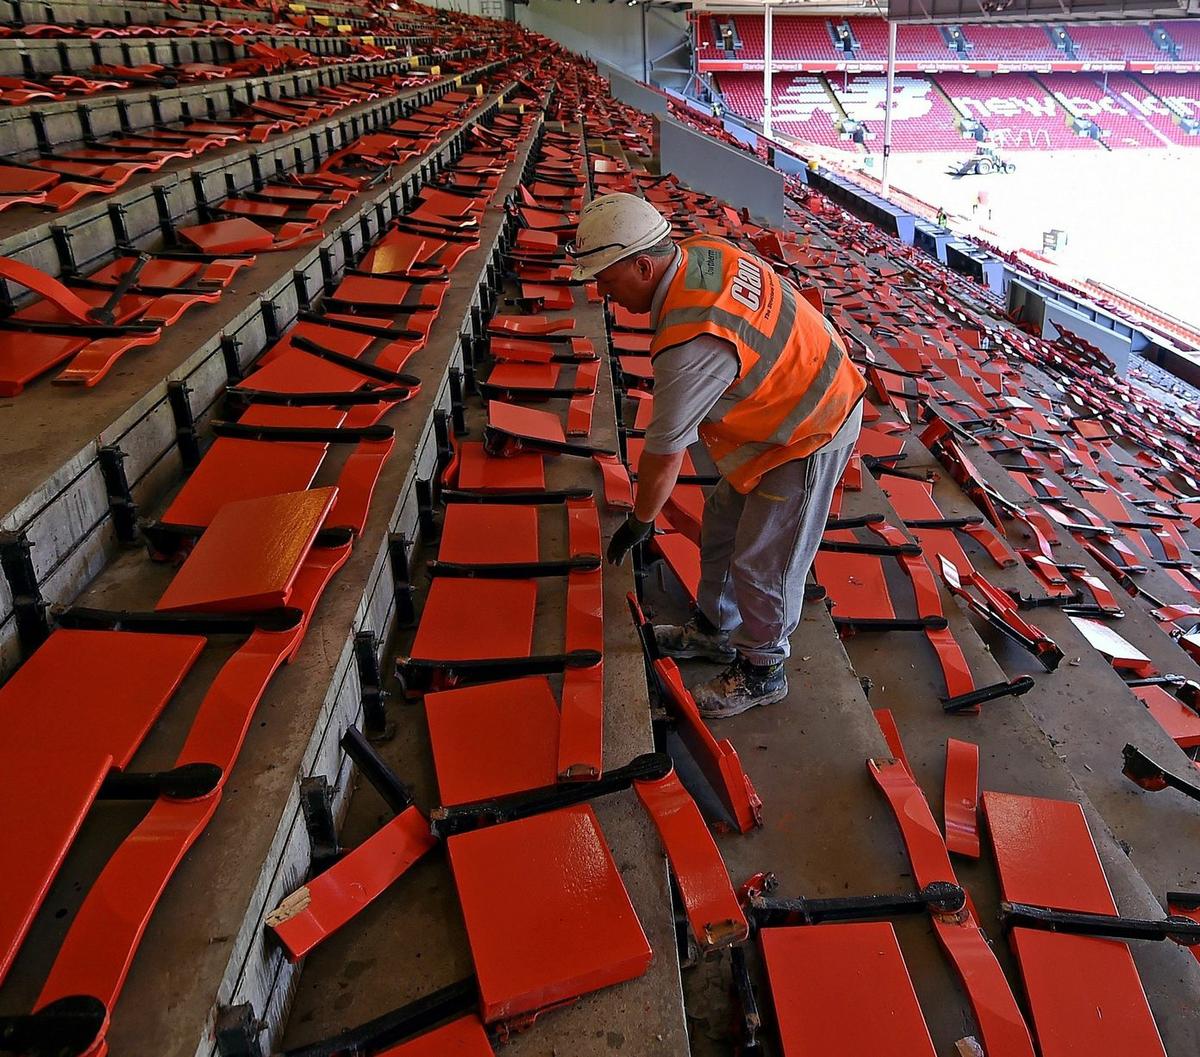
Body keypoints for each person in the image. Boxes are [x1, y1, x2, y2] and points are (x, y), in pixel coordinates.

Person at [568, 194, 866, 718]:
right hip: (785, 401)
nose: (603, 294)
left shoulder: (692, 342)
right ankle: (714, 631)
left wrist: (640, 522)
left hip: (813, 424)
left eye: (608, 281)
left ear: (643, 265)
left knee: (763, 561)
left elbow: (664, 455)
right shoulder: (700, 252)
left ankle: (763, 671)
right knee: (725, 525)